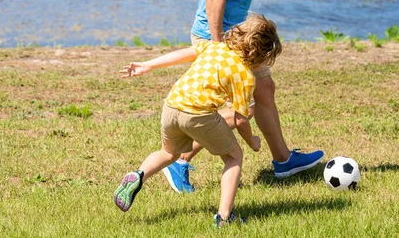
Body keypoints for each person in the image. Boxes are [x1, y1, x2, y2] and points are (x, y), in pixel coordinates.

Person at [162, 0, 324, 194]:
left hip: (230, 34)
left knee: (264, 90)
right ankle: (179, 161)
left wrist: (206, 25)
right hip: (227, 40)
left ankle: (283, 160)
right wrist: (215, 42)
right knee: (239, 111)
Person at [114, 14, 282, 227]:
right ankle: (224, 217)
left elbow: (183, 54)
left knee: (169, 153)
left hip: (171, 106)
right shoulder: (245, 76)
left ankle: (139, 175)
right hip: (198, 115)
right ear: (260, 55)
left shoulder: (215, 47)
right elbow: (240, 120)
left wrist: (147, 65)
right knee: (234, 156)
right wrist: (252, 142)